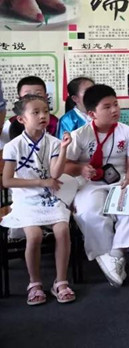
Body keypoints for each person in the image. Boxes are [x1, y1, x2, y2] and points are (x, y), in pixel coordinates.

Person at [64, 84, 129, 287]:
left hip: (121, 179)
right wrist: (81, 168)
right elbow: (65, 165)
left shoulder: (127, 132)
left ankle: (116, 253)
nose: (115, 110)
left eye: (115, 104)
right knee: (88, 212)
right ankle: (107, 255)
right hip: (89, 183)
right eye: (107, 107)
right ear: (92, 114)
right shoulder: (79, 135)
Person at [1, 95, 75, 305]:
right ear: (21, 119)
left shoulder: (53, 142)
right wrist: (41, 182)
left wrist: (63, 149)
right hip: (25, 199)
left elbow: (56, 173)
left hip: (50, 196)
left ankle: (61, 281)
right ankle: (34, 283)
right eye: (35, 112)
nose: (43, 116)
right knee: (34, 236)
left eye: (45, 111)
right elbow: (7, 181)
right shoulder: (13, 146)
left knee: (62, 230)